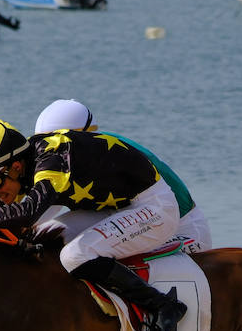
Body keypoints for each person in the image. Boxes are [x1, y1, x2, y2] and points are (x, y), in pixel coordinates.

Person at [0, 119, 188, 331]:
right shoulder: (23, 165)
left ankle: (162, 306)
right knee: (42, 237)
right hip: (115, 209)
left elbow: (26, 213)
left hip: (153, 209)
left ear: (15, 167)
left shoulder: (53, 160)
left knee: (75, 255)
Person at [32, 99, 211, 256]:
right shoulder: (65, 160)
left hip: (182, 230)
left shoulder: (105, 154)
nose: (49, 150)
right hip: (123, 216)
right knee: (41, 236)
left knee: (88, 255)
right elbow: (40, 211)